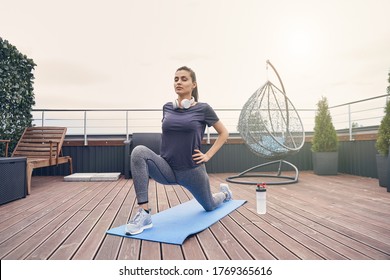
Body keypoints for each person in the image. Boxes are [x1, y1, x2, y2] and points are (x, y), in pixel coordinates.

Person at [126, 66, 232, 235]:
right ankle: (144, 214)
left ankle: (225, 195)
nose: (179, 82)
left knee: (210, 205)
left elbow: (224, 133)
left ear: (193, 84)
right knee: (139, 151)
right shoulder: (167, 107)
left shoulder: (203, 109)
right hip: (166, 168)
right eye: (176, 79)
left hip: (192, 171)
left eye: (184, 79)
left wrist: (208, 155)